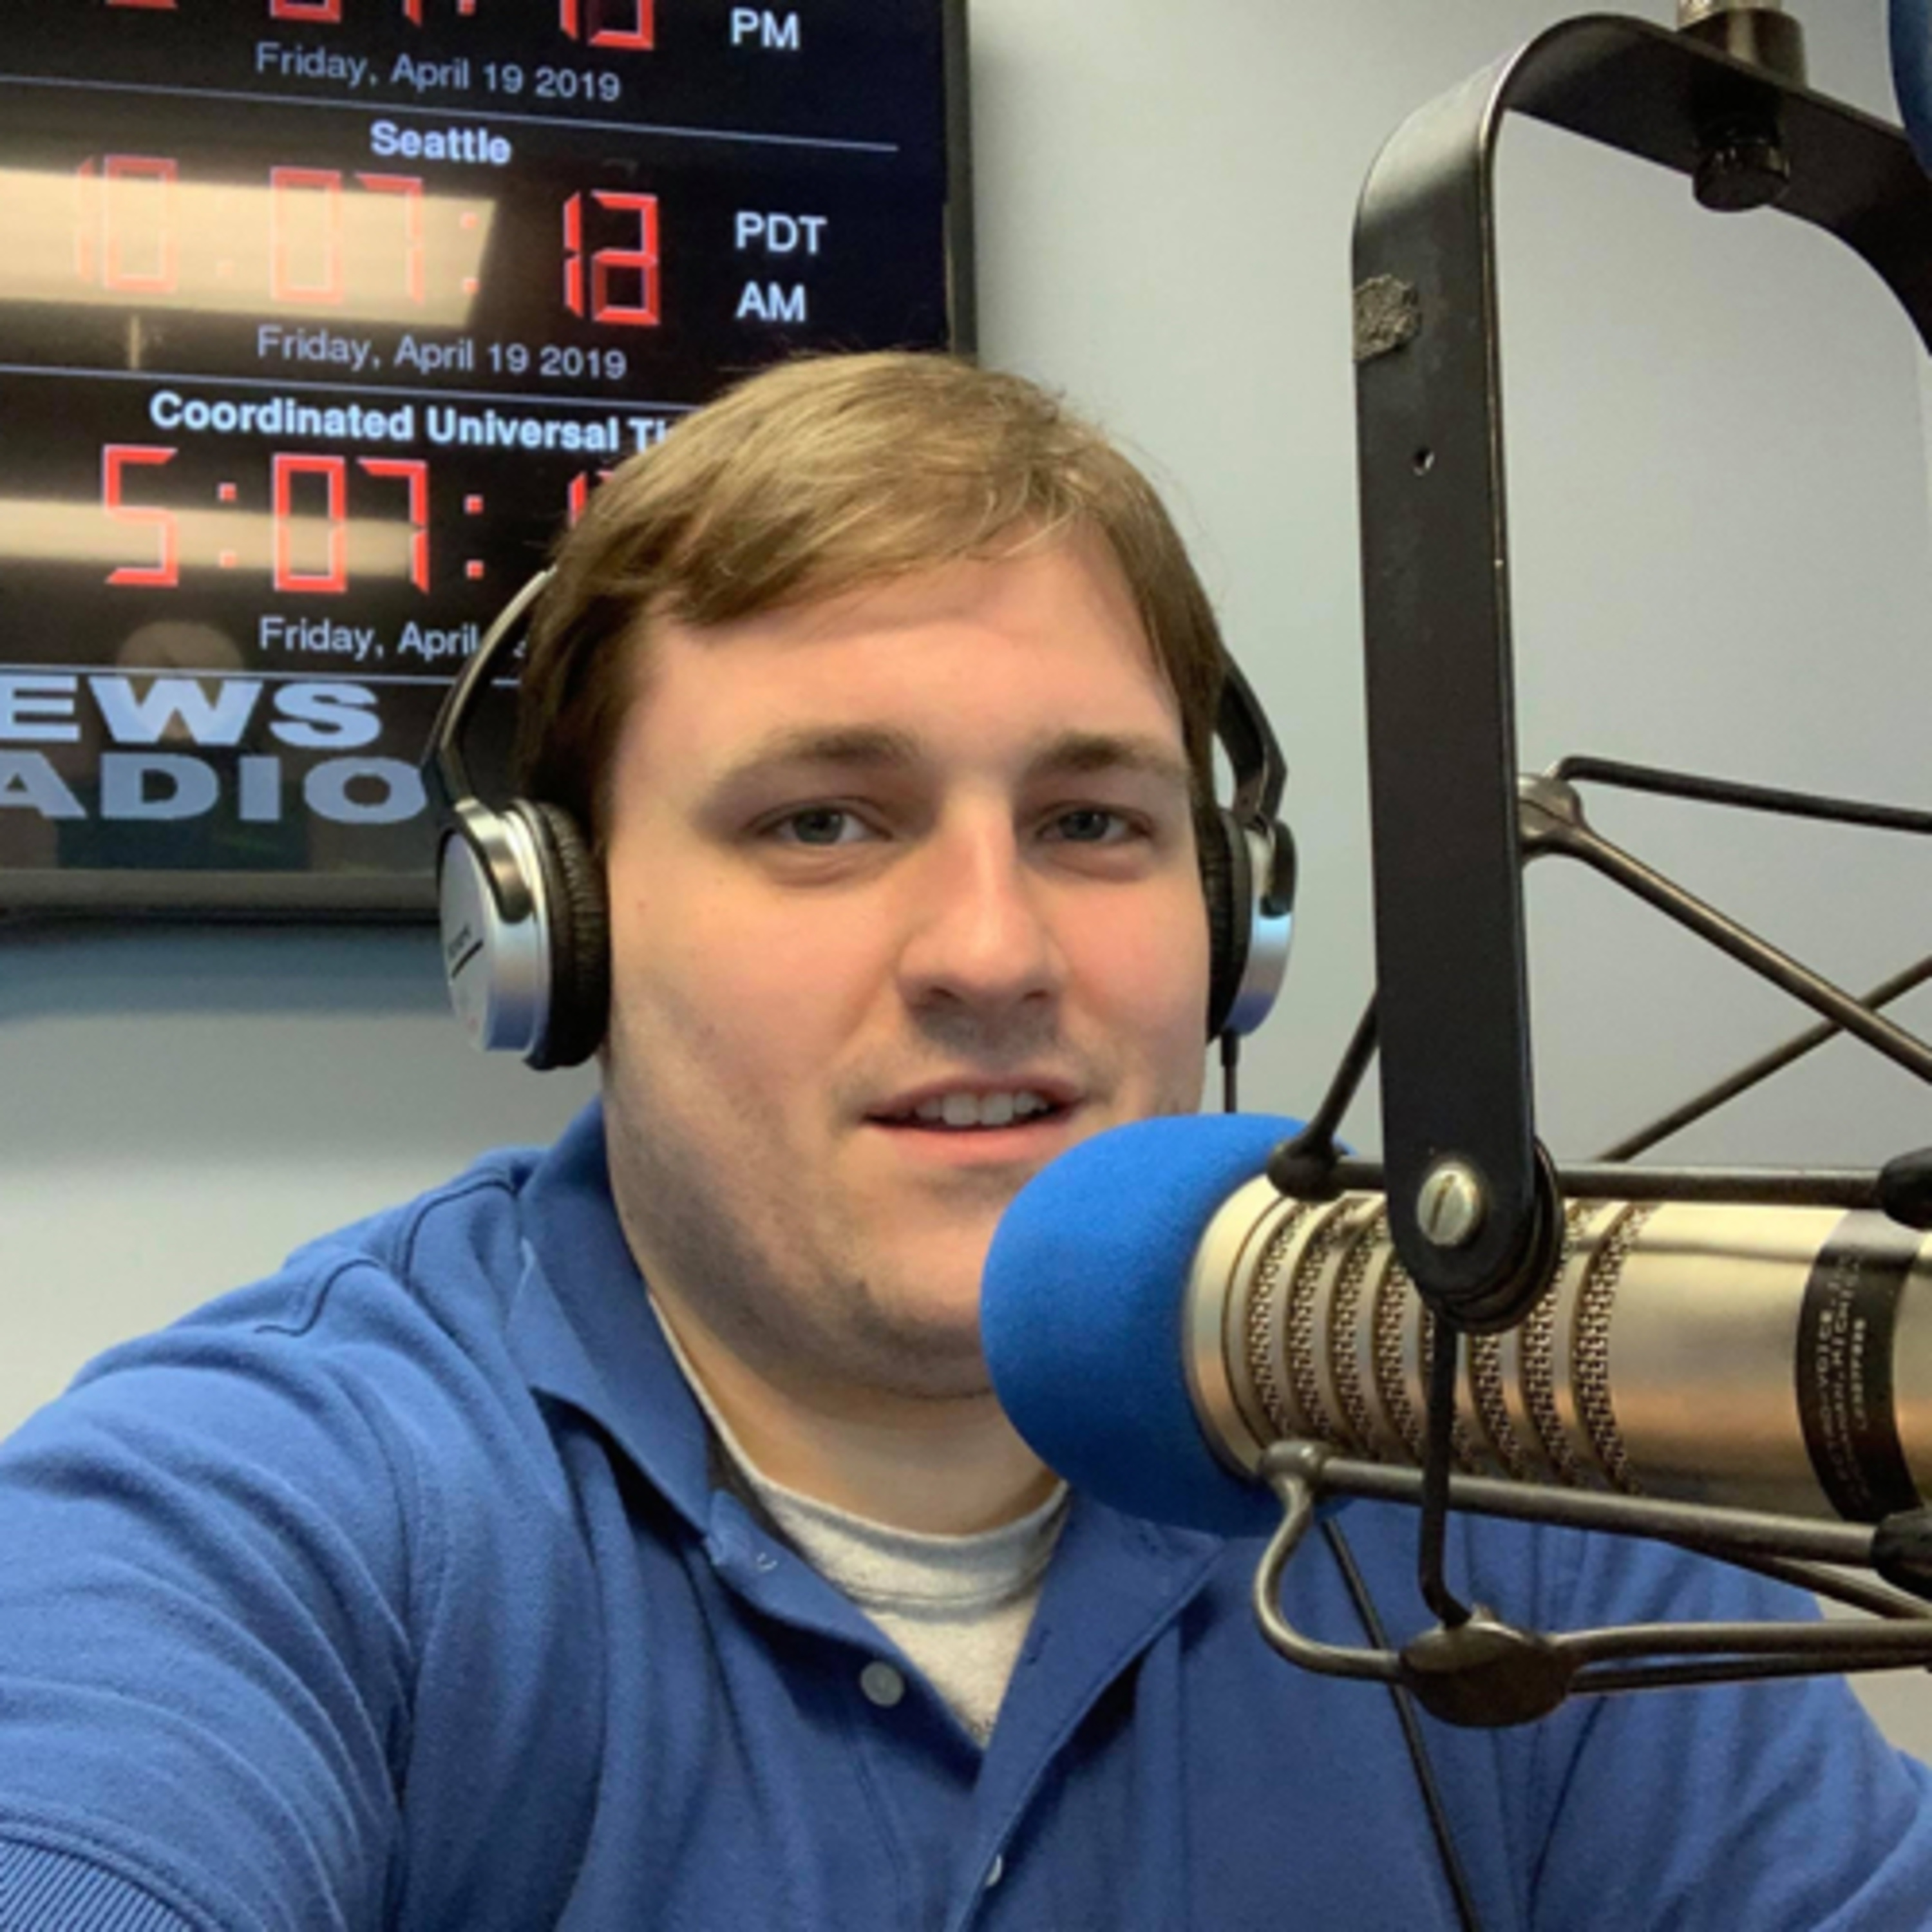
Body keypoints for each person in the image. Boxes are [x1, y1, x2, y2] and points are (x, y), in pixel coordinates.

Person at [2, 351, 1930, 1931]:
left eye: (1092, 824)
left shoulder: (1489, 1441)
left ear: (1234, 919)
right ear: (558, 936)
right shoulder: (253, 1512)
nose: (993, 956)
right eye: (823, 823)